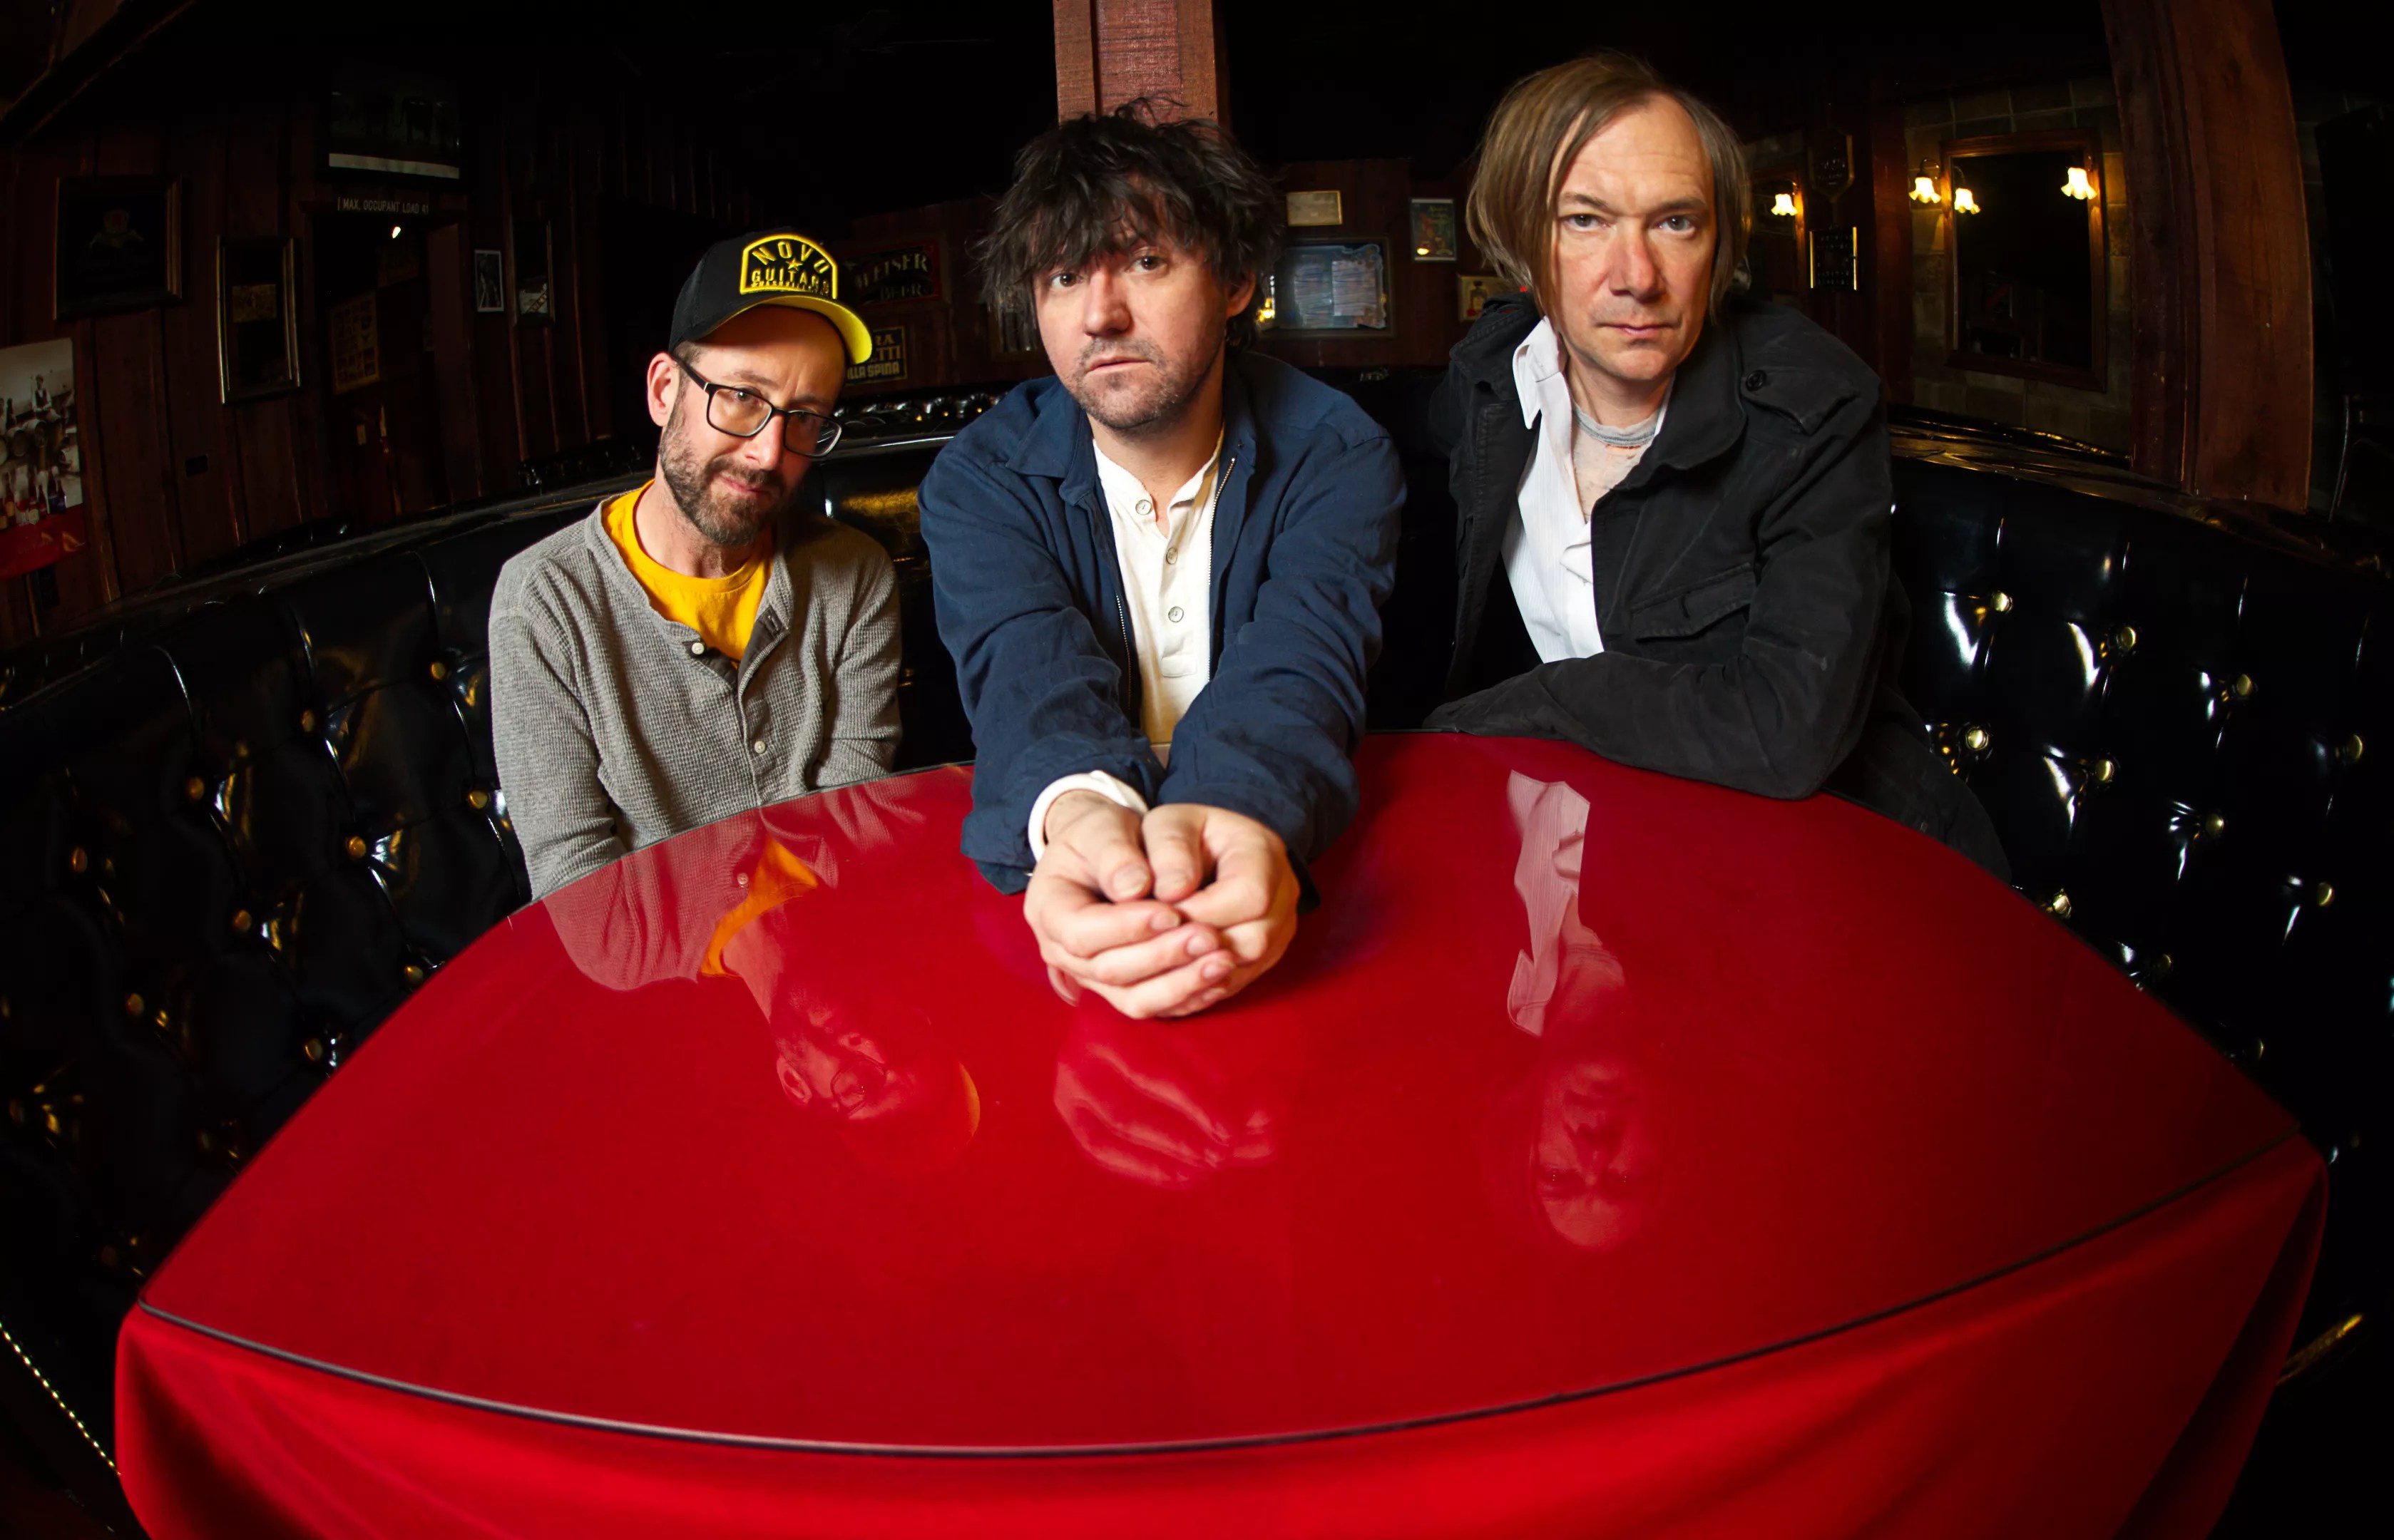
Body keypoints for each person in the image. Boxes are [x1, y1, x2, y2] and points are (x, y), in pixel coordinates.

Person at [1425, 55, 2006, 876]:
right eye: (1585, 220)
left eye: (1676, 223)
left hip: (1847, 852)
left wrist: (1518, 707)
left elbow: (1785, 732)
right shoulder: (1491, 381)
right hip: (1635, 838)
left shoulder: (1815, 404)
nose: (1638, 278)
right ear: (1523, 240)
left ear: (1718, 243)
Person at [920, 104, 1404, 1019]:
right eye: (1064, 277)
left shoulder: (1336, 453)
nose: (1100, 315)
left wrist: (1236, 811)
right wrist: (1080, 814)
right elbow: (1024, 668)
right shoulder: (980, 478)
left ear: (1235, 281)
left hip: (1286, 853)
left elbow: (1303, 661)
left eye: (1146, 261)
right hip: (1066, 891)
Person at [491, 230, 901, 899]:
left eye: (805, 417)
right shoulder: (545, 601)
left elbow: (852, 819)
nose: (768, 453)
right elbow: (578, 894)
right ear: (664, 392)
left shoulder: (855, 574)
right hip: (658, 965)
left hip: (831, 937)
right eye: (742, 396)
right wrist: (740, 936)